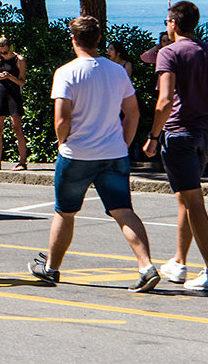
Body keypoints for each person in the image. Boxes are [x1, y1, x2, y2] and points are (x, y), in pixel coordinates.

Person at [29, 15, 160, 293]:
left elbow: (61, 119)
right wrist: (123, 144)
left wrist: (62, 140)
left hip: (77, 152)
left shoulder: (66, 72)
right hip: (112, 151)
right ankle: (146, 265)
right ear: (99, 39)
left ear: (73, 39)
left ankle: (51, 268)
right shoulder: (117, 71)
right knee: (122, 210)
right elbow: (132, 113)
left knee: (65, 212)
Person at [140, 0, 208, 292]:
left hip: (179, 135)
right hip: (203, 134)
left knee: (194, 202)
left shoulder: (169, 53)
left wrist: (153, 136)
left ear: (173, 23)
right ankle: (178, 262)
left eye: (167, 21)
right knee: (185, 200)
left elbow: (164, 101)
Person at [0, 36, 29, 172]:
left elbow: (22, 81)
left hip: (14, 93)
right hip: (0, 92)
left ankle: (22, 162)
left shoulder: (19, 60)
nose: (3, 55)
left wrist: (10, 77)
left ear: (10, 48)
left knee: (17, 127)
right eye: (0, 52)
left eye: (5, 52)